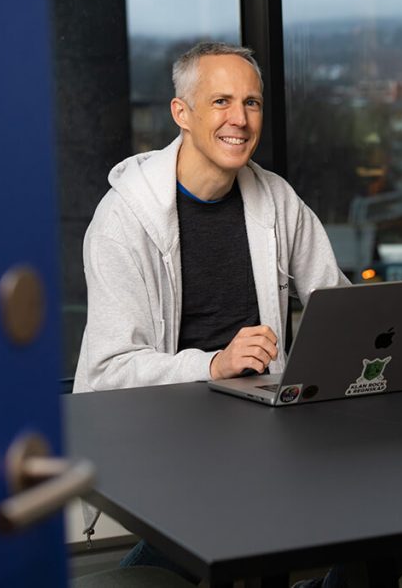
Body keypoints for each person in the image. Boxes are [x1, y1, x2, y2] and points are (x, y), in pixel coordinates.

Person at [73, 41, 348, 583]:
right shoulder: (122, 220)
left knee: (385, 487)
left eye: (251, 103)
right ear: (183, 113)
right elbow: (109, 371)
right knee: (248, 506)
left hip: (261, 421)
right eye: (221, 101)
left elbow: (337, 306)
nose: (239, 120)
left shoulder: (276, 199)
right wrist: (214, 363)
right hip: (171, 430)